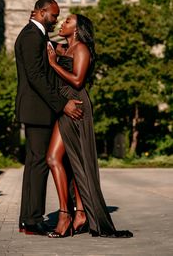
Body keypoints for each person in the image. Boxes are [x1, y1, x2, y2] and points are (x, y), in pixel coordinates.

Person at [45, 13, 133, 238]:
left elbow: (77, 80)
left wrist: (53, 64)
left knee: (60, 159)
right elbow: (45, 38)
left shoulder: (81, 49)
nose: (62, 23)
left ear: (77, 29)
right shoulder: (65, 47)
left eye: (67, 22)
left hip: (76, 107)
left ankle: (71, 215)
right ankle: (79, 214)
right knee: (67, 161)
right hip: (65, 104)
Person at [14, 0, 83, 236]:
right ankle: (32, 220)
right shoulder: (32, 36)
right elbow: (36, 78)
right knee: (38, 163)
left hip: (37, 108)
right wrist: (63, 104)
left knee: (36, 163)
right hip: (37, 109)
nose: (56, 20)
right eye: (53, 15)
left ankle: (28, 220)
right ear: (41, 12)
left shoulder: (39, 36)